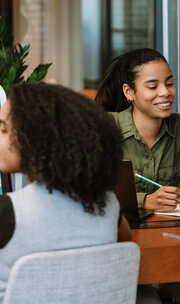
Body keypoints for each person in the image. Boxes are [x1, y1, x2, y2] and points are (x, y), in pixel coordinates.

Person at [95, 48, 180, 304]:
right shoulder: (104, 129)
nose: (165, 92)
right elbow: (91, 194)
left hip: (172, 257)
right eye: (152, 86)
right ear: (129, 92)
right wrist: (146, 202)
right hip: (120, 258)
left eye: (169, 83)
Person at [0, 82, 131, 302]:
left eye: (3, 129)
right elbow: (125, 244)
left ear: (36, 140)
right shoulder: (107, 204)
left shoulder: (7, 212)